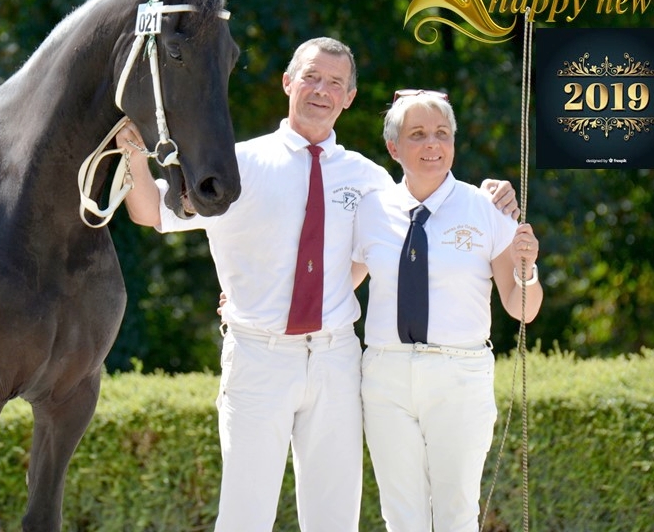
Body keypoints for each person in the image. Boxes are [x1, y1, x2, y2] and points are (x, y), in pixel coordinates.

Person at [116, 38, 517, 532]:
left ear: (349, 97)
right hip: (259, 356)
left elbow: (392, 239)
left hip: (335, 359)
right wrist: (133, 154)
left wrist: (495, 192)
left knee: (334, 519)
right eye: (311, 77)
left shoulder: (368, 179)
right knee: (245, 516)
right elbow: (151, 212)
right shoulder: (237, 165)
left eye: (335, 83)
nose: (321, 90)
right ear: (288, 82)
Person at [351, 89, 544, 532]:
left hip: (459, 374)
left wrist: (527, 269)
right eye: (417, 134)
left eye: (442, 133)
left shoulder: (487, 208)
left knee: (456, 513)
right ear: (393, 147)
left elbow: (522, 309)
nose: (432, 144)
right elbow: (339, 287)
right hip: (386, 375)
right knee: (401, 516)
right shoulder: (371, 210)